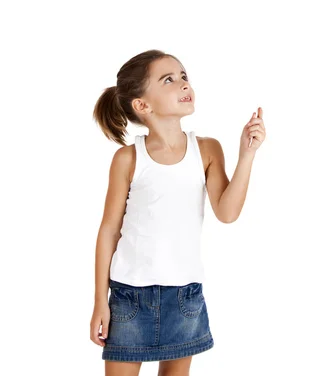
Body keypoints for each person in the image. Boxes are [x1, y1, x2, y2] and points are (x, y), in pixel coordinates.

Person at [89, 49, 266, 375]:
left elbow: (226, 213)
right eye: (168, 79)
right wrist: (101, 299)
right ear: (143, 105)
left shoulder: (208, 150)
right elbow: (109, 230)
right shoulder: (128, 159)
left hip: (185, 296)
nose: (184, 83)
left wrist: (247, 155)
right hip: (129, 297)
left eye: (184, 76)